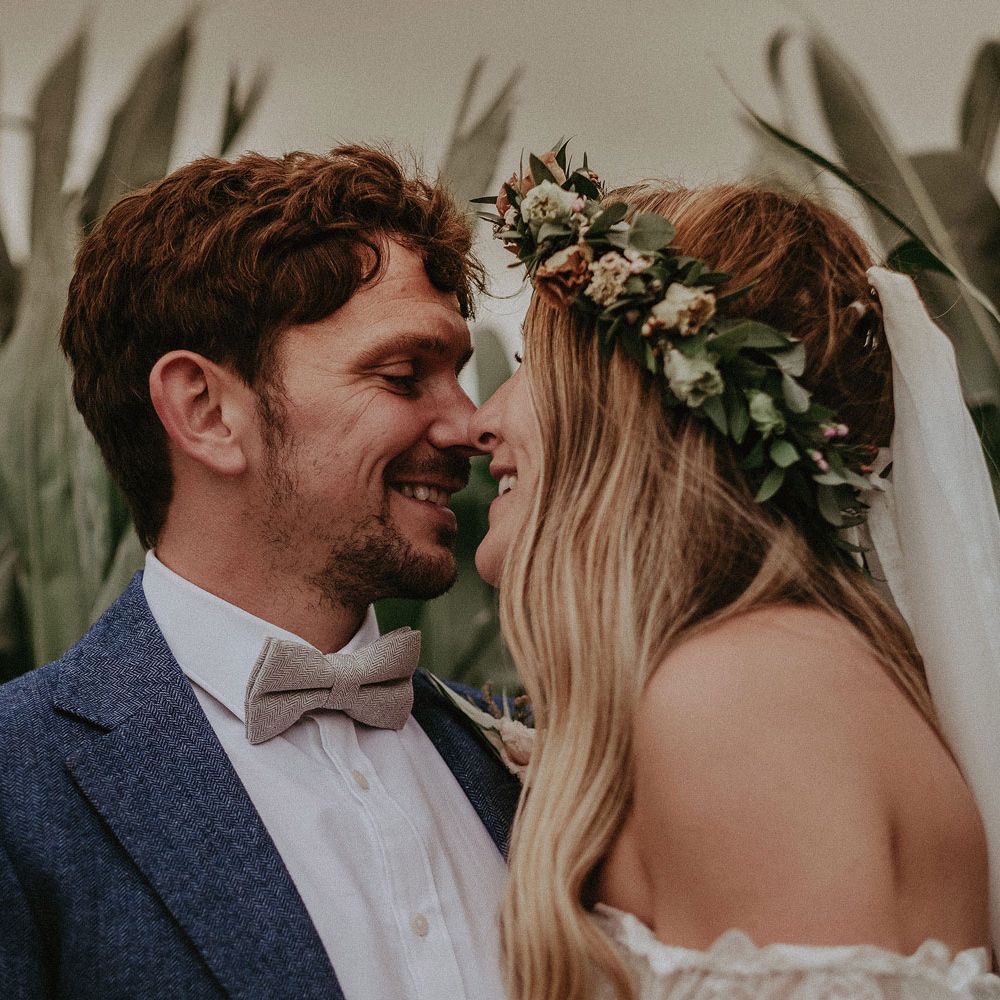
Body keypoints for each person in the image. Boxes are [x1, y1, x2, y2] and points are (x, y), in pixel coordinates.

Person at [470, 149, 1000, 999]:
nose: (480, 421)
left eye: (533, 368)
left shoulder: (747, 693)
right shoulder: (778, 666)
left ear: (633, 401)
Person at [0, 146, 520, 999]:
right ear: (206, 412)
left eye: (459, 374)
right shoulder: (19, 786)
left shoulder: (525, 754)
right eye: (403, 376)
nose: (467, 425)